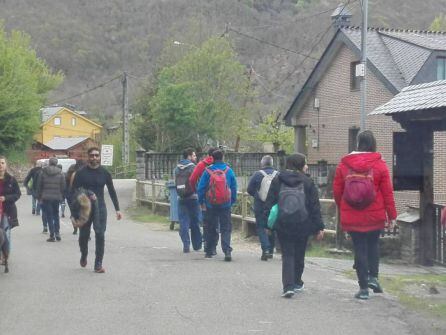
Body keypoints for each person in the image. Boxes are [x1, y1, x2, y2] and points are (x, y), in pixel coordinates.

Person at [333, 130, 397, 300]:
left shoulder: (344, 165)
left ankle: (363, 289)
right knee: (373, 245)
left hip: (352, 216)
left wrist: (344, 208)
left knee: (359, 248)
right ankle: (373, 278)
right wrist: (392, 216)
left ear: (357, 143)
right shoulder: (379, 165)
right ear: (373, 143)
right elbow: (388, 193)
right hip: (375, 215)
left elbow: (337, 192)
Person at [265, 153, 324, 298]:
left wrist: (268, 225)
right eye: (305, 163)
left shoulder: (278, 180)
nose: (307, 166)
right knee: (299, 254)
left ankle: (288, 286)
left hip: (283, 223)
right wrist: (319, 227)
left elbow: (270, 203)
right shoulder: (307, 182)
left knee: (288, 254)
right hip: (303, 223)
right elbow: (314, 206)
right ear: (299, 165)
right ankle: (297, 281)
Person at [72, 147, 122, 273]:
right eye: (92, 155)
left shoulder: (104, 173)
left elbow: (111, 190)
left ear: (99, 157)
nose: (94, 158)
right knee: (84, 235)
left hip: (100, 208)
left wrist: (117, 209)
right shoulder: (81, 173)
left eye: (96, 155)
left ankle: (98, 264)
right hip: (85, 208)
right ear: (88, 157)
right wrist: (86, 195)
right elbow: (74, 190)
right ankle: (84, 254)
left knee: (100, 235)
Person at [197, 149, 237, 261]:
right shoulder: (229, 171)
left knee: (210, 227)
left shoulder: (207, 171)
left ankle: (209, 251)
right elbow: (233, 187)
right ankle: (227, 251)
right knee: (226, 228)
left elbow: (200, 188)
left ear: (212, 159)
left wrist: (201, 202)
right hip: (225, 204)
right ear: (223, 157)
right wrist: (232, 201)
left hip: (210, 204)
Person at [247, 155, 277, 261]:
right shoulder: (278, 174)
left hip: (260, 205)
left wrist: (257, 195)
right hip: (274, 206)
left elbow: (249, 189)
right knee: (272, 226)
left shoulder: (257, 175)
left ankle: (266, 249)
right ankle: (272, 250)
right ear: (272, 163)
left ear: (262, 163)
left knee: (260, 227)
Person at [189, 147, 219, 255]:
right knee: (216, 223)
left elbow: (192, 179)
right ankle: (214, 246)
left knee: (207, 223)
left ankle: (207, 246)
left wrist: (196, 192)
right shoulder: (222, 166)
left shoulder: (201, 165)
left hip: (206, 199)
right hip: (219, 200)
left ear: (208, 155)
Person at [174, 148, 202, 253]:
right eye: (194, 156)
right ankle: (197, 245)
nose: (195, 158)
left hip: (181, 198)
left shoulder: (177, 168)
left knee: (183, 222)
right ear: (189, 156)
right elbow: (198, 182)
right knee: (195, 221)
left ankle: (186, 245)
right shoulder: (193, 168)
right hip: (193, 197)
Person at [36, 157, 66, 242]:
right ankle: (57, 233)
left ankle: (52, 234)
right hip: (57, 197)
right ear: (56, 163)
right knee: (56, 215)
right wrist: (62, 196)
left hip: (46, 197)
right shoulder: (61, 173)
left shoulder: (43, 172)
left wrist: (39, 196)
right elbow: (63, 186)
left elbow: (39, 185)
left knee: (49, 215)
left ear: (49, 163)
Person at [0, 155, 21, 256]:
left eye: (2, 163)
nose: (0, 165)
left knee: (5, 233)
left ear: (6, 165)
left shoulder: (11, 180)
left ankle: (5, 255)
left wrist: (6, 198)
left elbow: (17, 194)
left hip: (6, 211)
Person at [65, 159, 85, 235]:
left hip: (71, 196)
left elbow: (66, 185)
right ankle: (84, 230)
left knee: (73, 213)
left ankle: (75, 228)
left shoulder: (69, 173)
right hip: (82, 195)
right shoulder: (83, 173)